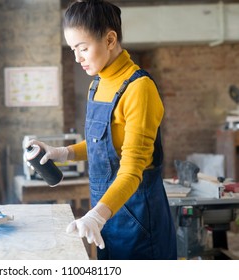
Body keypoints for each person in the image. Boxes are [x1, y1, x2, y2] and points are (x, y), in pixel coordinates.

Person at [25, 0, 177, 260]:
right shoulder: (97, 85)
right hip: (106, 213)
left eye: (83, 48)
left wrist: (96, 215)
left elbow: (132, 168)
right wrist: (62, 153)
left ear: (109, 40)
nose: (77, 58)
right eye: (73, 49)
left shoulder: (139, 89)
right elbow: (102, 144)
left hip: (137, 218)